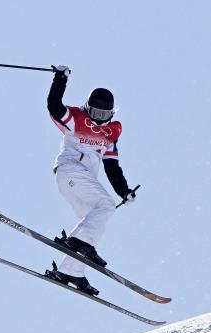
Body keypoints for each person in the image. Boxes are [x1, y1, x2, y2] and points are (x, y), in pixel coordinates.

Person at [43, 65, 137, 295]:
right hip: (70, 171)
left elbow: (112, 166)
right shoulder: (77, 119)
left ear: (112, 114)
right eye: (95, 113)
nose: (98, 120)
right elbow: (54, 107)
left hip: (80, 183)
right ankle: (75, 242)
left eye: (104, 116)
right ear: (87, 108)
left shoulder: (109, 135)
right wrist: (60, 80)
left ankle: (71, 270)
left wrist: (124, 191)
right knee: (103, 208)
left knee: (96, 221)